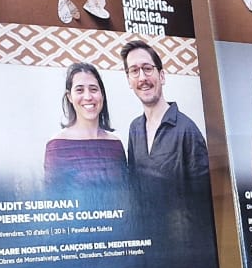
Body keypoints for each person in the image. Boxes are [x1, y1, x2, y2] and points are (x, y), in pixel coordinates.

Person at [122, 38, 210, 195]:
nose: (142, 78)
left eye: (147, 68)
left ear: (162, 76)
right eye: (134, 71)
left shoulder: (187, 130)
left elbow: (203, 198)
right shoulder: (134, 128)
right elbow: (134, 187)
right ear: (129, 80)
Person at [43, 61, 127, 192]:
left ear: (102, 95)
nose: (88, 97)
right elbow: (54, 201)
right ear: (70, 97)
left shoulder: (115, 144)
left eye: (93, 89)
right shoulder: (57, 145)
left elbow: (126, 194)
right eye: (80, 90)